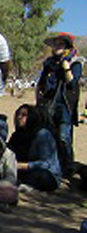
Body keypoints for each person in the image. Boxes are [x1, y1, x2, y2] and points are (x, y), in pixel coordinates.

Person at [36, 33, 83, 178]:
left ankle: (68, 166)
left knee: (64, 136)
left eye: (60, 44)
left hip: (65, 104)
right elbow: (42, 82)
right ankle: (53, 164)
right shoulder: (49, 63)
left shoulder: (76, 61)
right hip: (49, 103)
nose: (56, 47)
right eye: (55, 44)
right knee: (50, 134)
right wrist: (39, 97)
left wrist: (66, 67)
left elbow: (72, 83)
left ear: (67, 46)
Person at [8, 104, 61, 192]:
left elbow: (47, 163)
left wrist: (24, 166)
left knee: (41, 176)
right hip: (24, 171)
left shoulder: (42, 135)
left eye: (24, 115)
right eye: (18, 115)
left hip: (46, 173)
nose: (19, 118)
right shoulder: (17, 135)